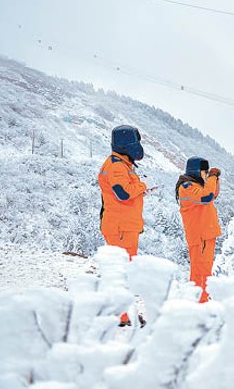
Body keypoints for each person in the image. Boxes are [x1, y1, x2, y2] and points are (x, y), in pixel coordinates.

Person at [98, 125, 147, 326]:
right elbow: (123, 193)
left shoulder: (121, 164)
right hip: (121, 228)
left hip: (123, 226)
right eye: (136, 143)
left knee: (122, 271)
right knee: (123, 272)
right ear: (127, 144)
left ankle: (122, 314)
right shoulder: (117, 166)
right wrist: (142, 186)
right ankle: (122, 316)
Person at [176, 157, 222, 303]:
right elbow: (207, 196)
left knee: (201, 271)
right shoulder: (187, 187)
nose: (206, 175)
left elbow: (213, 194)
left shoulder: (195, 186)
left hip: (205, 235)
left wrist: (214, 179)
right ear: (196, 171)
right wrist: (213, 177)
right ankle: (201, 304)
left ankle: (198, 303)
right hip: (200, 236)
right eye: (204, 172)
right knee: (201, 272)